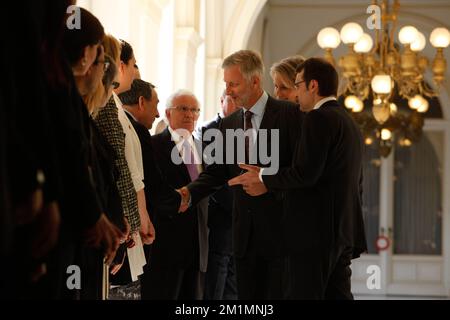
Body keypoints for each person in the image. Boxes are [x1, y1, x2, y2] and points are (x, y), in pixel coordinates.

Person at [229, 57, 368, 299]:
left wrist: (263, 176)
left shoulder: (317, 118)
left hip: (315, 233)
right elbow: (356, 182)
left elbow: (305, 173)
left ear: (312, 86)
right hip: (344, 229)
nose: (295, 93)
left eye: (297, 84)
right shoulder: (349, 122)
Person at [179, 50, 302, 299]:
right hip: (243, 238)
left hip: (283, 236)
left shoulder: (291, 115)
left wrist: (267, 181)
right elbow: (216, 174)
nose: (229, 90)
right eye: (226, 83)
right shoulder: (228, 124)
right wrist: (187, 193)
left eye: (233, 84)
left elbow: (302, 171)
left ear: (255, 81)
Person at [145, 90, 209, 300]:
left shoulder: (203, 147)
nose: (189, 114)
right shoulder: (153, 145)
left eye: (194, 110)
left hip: (199, 247)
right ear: (168, 113)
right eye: (183, 108)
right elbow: (154, 191)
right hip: (166, 247)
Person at [201, 91, 239, 300]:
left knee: (234, 288)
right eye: (231, 99)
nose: (236, 105)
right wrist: (239, 207)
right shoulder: (210, 131)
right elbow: (215, 179)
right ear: (221, 101)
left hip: (243, 224)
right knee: (216, 285)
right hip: (222, 220)